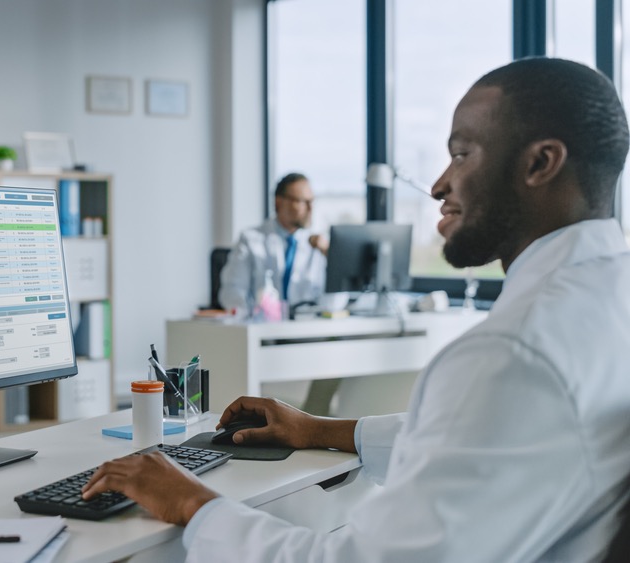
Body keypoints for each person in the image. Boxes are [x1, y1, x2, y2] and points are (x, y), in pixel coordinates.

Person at [83, 57, 630, 561]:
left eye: (461, 153)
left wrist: (190, 502)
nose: (440, 184)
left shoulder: (512, 352)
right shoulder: (608, 293)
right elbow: (496, 440)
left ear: (540, 163)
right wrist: (321, 430)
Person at [218, 173, 328, 315]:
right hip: (264, 330)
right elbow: (232, 292)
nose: (310, 208)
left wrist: (330, 255)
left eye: (311, 201)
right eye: (302, 201)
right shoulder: (250, 240)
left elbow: (334, 304)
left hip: (307, 330)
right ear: (279, 202)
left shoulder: (320, 245)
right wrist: (253, 316)